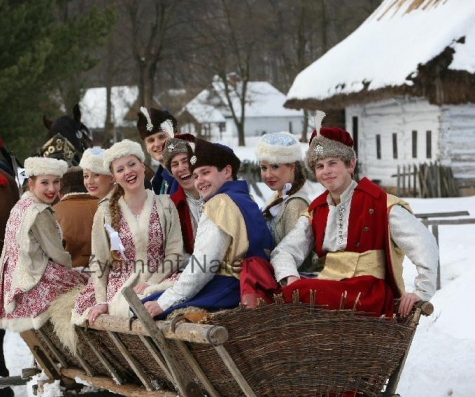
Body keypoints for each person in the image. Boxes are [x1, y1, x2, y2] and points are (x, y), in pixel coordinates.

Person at [270, 112, 438, 318]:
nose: (326, 171)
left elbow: (424, 243)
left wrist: (420, 292)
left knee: (301, 294)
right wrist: (290, 279)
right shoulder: (316, 210)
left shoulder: (381, 203)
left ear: (351, 165)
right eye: (320, 166)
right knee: (270, 283)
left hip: (368, 292)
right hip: (329, 288)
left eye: (333, 163)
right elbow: (285, 251)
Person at [143, 139, 274, 320]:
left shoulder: (219, 204)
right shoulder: (246, 199)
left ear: (227, 171)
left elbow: (203, 266)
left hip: (230, 288)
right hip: (252, 284)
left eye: (205, 173)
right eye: (195, 176)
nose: (199, 181)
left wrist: (163, 303)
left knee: (143, 308)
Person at [72, 139, 184, 324]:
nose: (128, 171)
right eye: (120, 169)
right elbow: (99, 261)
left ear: (142, 166)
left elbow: (175, 254)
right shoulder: (105, 212)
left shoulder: (165, 205)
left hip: (161, 277)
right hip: (124, 285)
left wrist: (151, 283)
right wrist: (101, 301)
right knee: (133, 307)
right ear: (114, 177)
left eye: (132, 164)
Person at [0, 157, 88, 333]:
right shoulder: (40, 211)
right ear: (31, 183)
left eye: (56, 182)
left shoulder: (20, 205)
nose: (52, 189)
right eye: (45, 183)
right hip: (33, 279)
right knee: (86, 285)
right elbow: (58, 254)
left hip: (12, 280)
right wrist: (71, 271)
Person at [255, 132, 317, 270]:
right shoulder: (277, 197)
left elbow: (296, 258)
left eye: (275, 166)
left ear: (292, 167)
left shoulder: (295, 204)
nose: (268, 174)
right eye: (264, 168)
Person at [161, 135, 203, 257]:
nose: (181, 168)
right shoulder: (171, 206)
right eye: (174, 164)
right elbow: (175, 253)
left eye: (185, 161)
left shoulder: (215, 194)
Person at [53, 166, 98, 269]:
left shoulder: (51, 214)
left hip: (71, 281)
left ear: (59, 193)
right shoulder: (110, 206)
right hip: (114, 278)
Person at [137, 106, 178, 195]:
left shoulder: (192, 171)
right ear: (146, 147)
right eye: (151, 140)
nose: (157, 144)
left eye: (162, 137)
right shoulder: (157, 182)